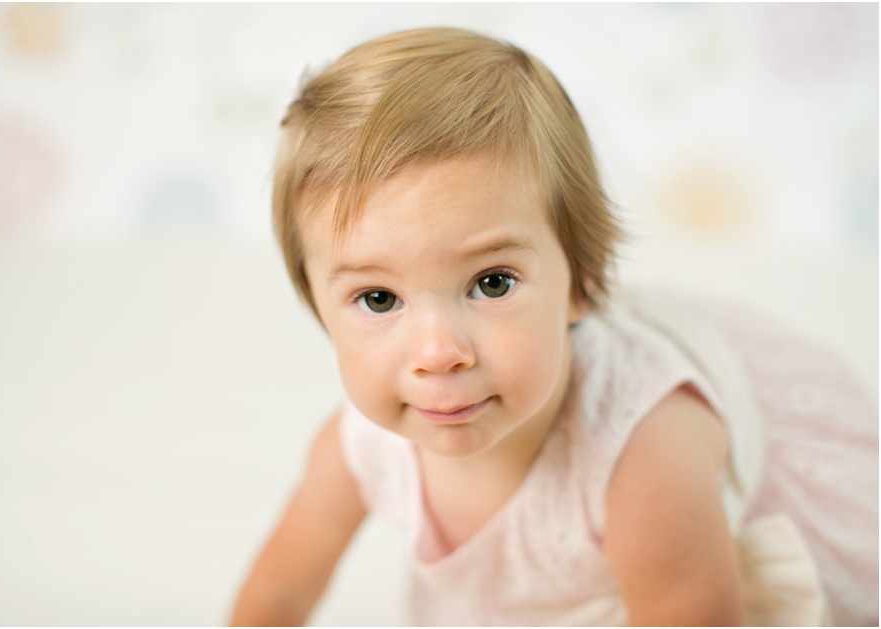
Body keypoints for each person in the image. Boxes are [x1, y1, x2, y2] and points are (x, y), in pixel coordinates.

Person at [230, 27, 878, 626]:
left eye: (491, 283)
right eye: (376, 298)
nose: (436, 353)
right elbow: (278, 594)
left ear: (582, 282)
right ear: (316, 301)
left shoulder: (642, 455)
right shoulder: (358, 449)